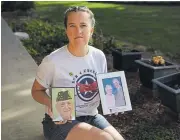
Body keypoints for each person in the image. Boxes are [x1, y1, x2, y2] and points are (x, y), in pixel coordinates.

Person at [31, 6, 125, 140]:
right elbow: (36, 91)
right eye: (72, 26)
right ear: (66, 30)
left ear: (91, 30)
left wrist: (116, 100)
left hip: (91, 116)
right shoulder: (53, 61)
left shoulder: (99, 56)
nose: (78, 31)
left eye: (83, 25)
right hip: (61, 121)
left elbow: (103, 88)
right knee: (105, 138)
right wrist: (52, 103)